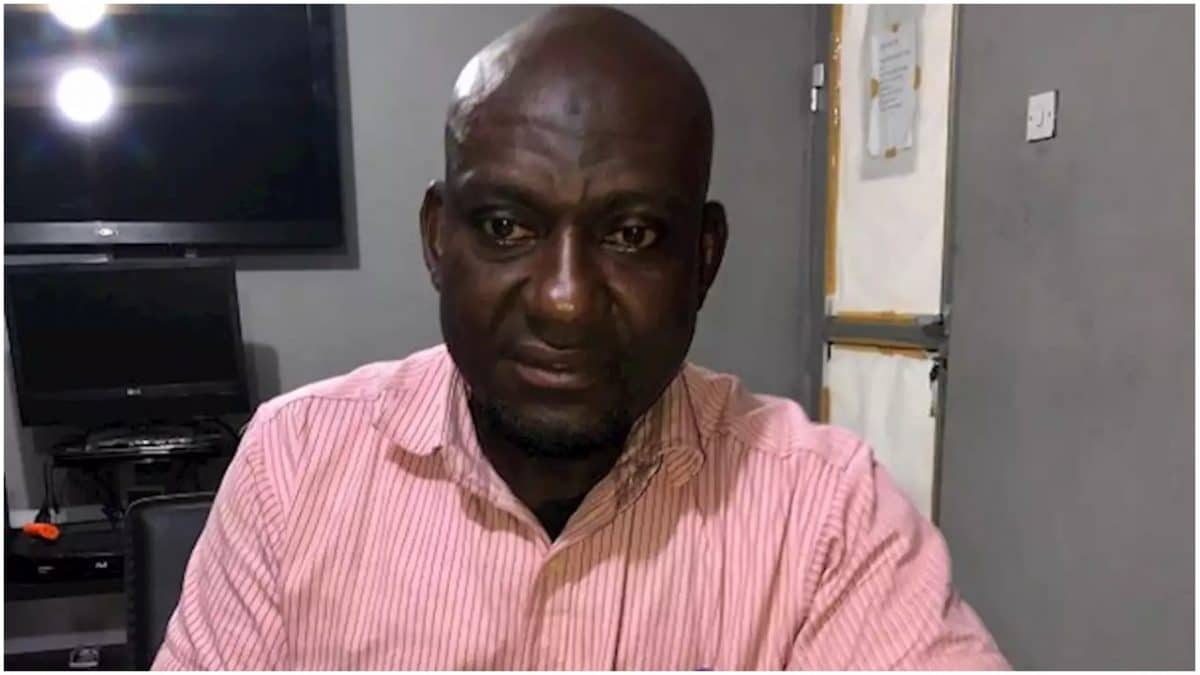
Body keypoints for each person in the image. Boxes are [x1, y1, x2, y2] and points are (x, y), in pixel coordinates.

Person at [155, 7, 1007, 670]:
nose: (565, 302)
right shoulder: (296, 465)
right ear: (437, 240)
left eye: (631, 234)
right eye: (506, 226)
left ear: (703, 260)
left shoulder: (824, 516)